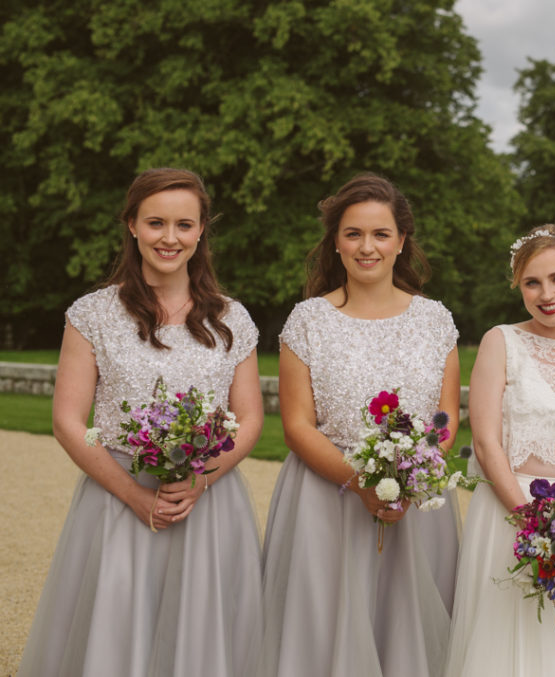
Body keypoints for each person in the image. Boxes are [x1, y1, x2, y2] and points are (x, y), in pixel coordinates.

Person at [18, 168, 264, 677]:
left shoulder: (231, 318)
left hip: (207, 501)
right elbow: (67, 419)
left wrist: (201, 479)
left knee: (203, 634)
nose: (169, 238)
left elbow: (250, 418)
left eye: (183, 224)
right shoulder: (93, 314)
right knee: (116, 631)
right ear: (131, 225)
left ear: (201, 231)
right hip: (117, 497)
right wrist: (133, 495)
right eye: (155, 223)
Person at [260, 173, 461, 677]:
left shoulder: (435, 320)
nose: (366, 247)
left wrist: (410, 476)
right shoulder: (307, 320)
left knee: (410, 632)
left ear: (401, 242)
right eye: (353, 234)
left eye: (380, 234)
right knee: (322, 637)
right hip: (324, 499)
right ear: (335, 242)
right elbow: (297, 425)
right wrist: (362, 481)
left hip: (416, 501)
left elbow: (445, 416)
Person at [444, 225, 555, 677]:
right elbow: (486, 443)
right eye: (532, 282)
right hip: (511, 514)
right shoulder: (500, 340)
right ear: (518, 286)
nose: (547, 293)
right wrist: (534, 526)